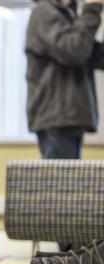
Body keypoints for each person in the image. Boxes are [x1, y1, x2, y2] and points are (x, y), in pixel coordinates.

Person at [26, 0, 104, 160]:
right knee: (60, 183)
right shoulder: (44, 12)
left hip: (69, 118)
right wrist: (92, 10)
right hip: (56, 119)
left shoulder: (69, 15)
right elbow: (74, 50)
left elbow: (92, 53)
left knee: (68, 182)